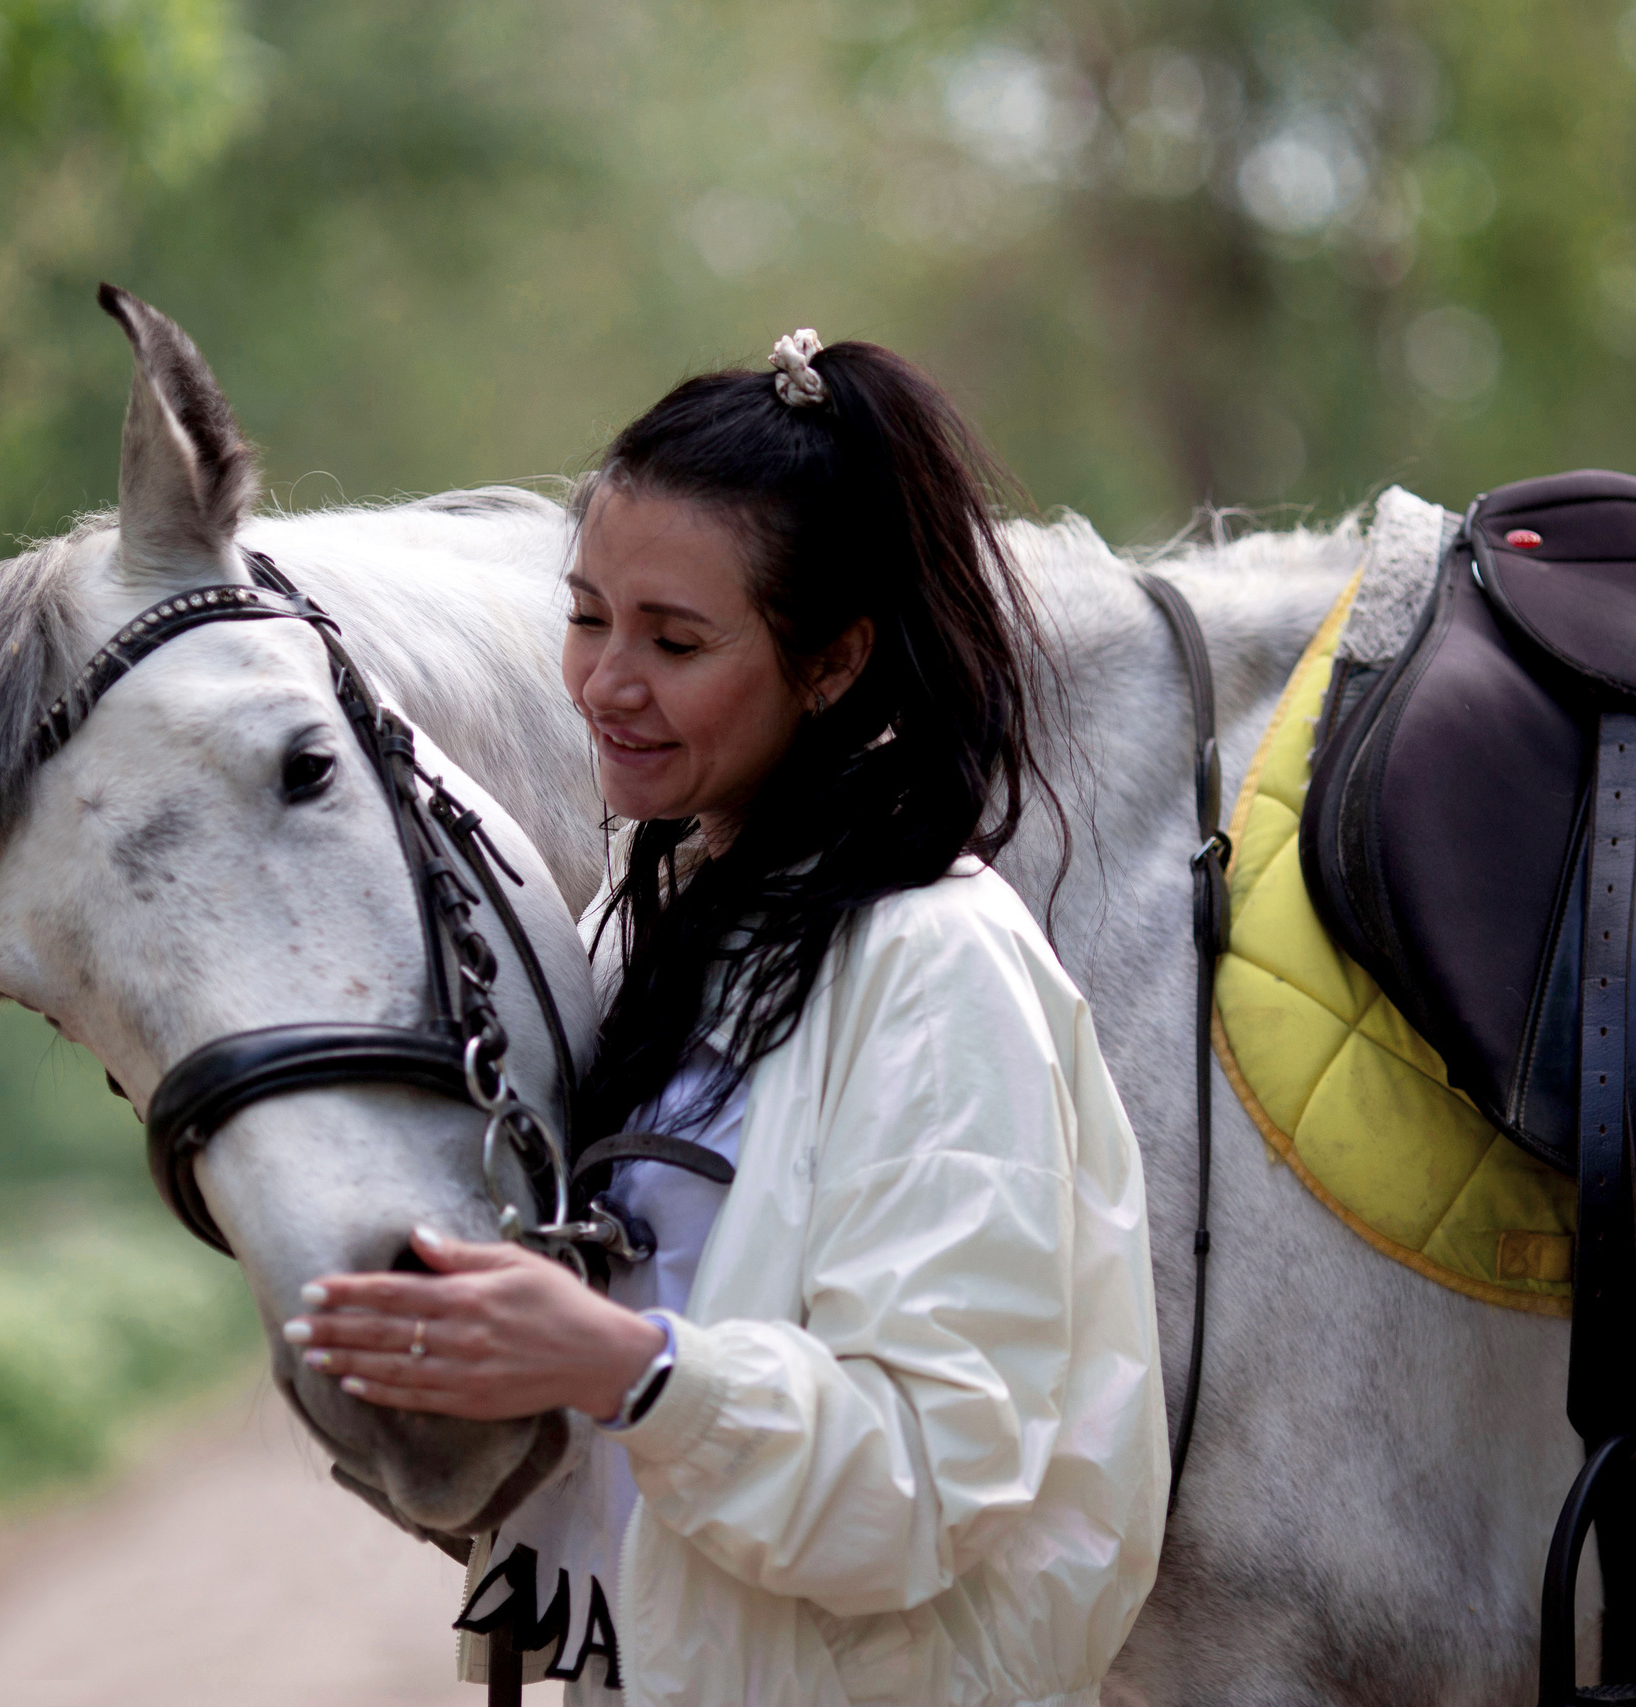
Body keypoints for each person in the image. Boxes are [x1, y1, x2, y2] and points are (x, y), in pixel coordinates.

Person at [282, 329, 1168, 1705]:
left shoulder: (938, 969)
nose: (603, 683)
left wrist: (625, 1368)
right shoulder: (642, 927)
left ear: (833, 662)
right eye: (588, 616)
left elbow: (927, 1480)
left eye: (675, 640)